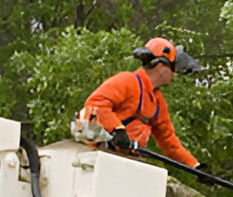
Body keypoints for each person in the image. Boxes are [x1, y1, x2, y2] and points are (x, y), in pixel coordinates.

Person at [78, 37, 204, 167]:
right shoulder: (128, 81)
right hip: (103, 153)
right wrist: (117, 129)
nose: (174, 74)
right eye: (172, 69)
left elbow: (169, 141)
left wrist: (195, 165)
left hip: (130, 159)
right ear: (161, 65)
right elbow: (95, 103)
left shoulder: (158, 102)